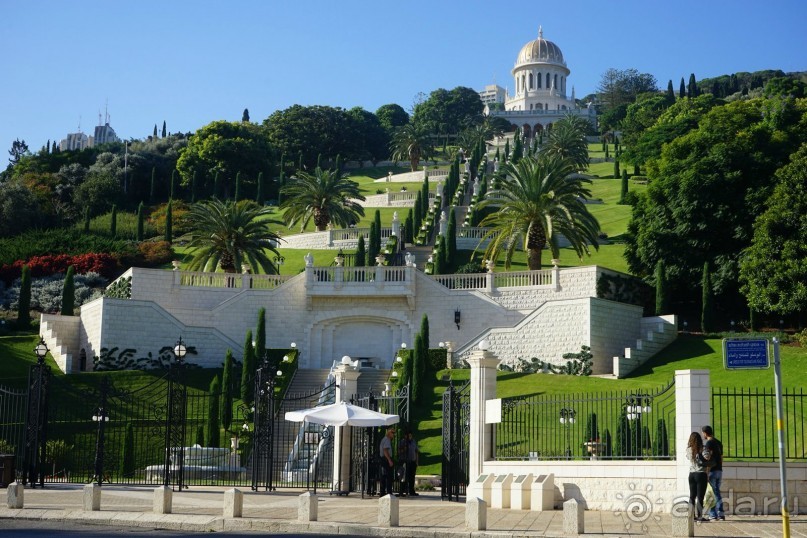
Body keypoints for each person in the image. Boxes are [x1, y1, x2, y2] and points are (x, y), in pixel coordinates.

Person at [702, 425, 725, 520]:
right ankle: (717, 514)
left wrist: (707, 472)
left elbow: (707, 459)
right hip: (719, 470)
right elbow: (721, 457)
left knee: (713, 493)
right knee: (716, 492)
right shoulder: (718, 442)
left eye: (703, 433)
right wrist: (720, 467)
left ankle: (716, 514)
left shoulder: (709, 443)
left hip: (712, 471)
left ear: (705, 433)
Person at [686, 431, 709, 522]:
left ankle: (691, 516)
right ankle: (699, 516)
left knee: (692, 496)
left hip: (691, 474)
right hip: (701, 474)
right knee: (700, 496)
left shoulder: (689, 449)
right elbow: (707, 457)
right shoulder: (703, 449)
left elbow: (688, 458)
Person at [398, 430, 420, 496]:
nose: (410, 437)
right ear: (405, 436)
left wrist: (417, 461)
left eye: (411, 435)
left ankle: (411, 491)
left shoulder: (413, 441)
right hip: (405, 461)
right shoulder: (402, 442)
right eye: (408, 436)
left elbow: (416, 451)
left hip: (412, 462)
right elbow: (399, 451)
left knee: (412, 477)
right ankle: (402, 491)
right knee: (404, 477)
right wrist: (404, 449)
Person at [379, 427, 395, 496]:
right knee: (388, 476)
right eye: (393, 433)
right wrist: (389, 460)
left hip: (384, 459)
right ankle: (388, 493)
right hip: (385, 460)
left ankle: (383, 492)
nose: (394, 434)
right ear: (389, 433)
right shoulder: (387, 440)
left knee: (384, 476)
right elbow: (385, 450)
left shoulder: (385, 439)